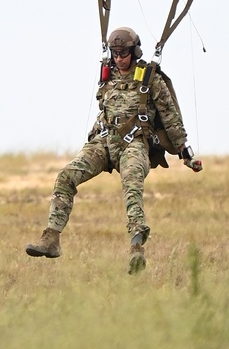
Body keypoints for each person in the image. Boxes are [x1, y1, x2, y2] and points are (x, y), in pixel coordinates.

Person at [25, 26, 202, 273]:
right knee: (65, 177)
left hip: (134, 143)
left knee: (132, 187)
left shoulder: (150, 79)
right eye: (115, 53)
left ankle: (136, 250)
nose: (119, 58)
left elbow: (170, 117)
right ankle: (51, 238)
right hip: (104, 141)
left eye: (124, 53)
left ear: (135, 51)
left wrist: (185, 153)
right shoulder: (108, 74)